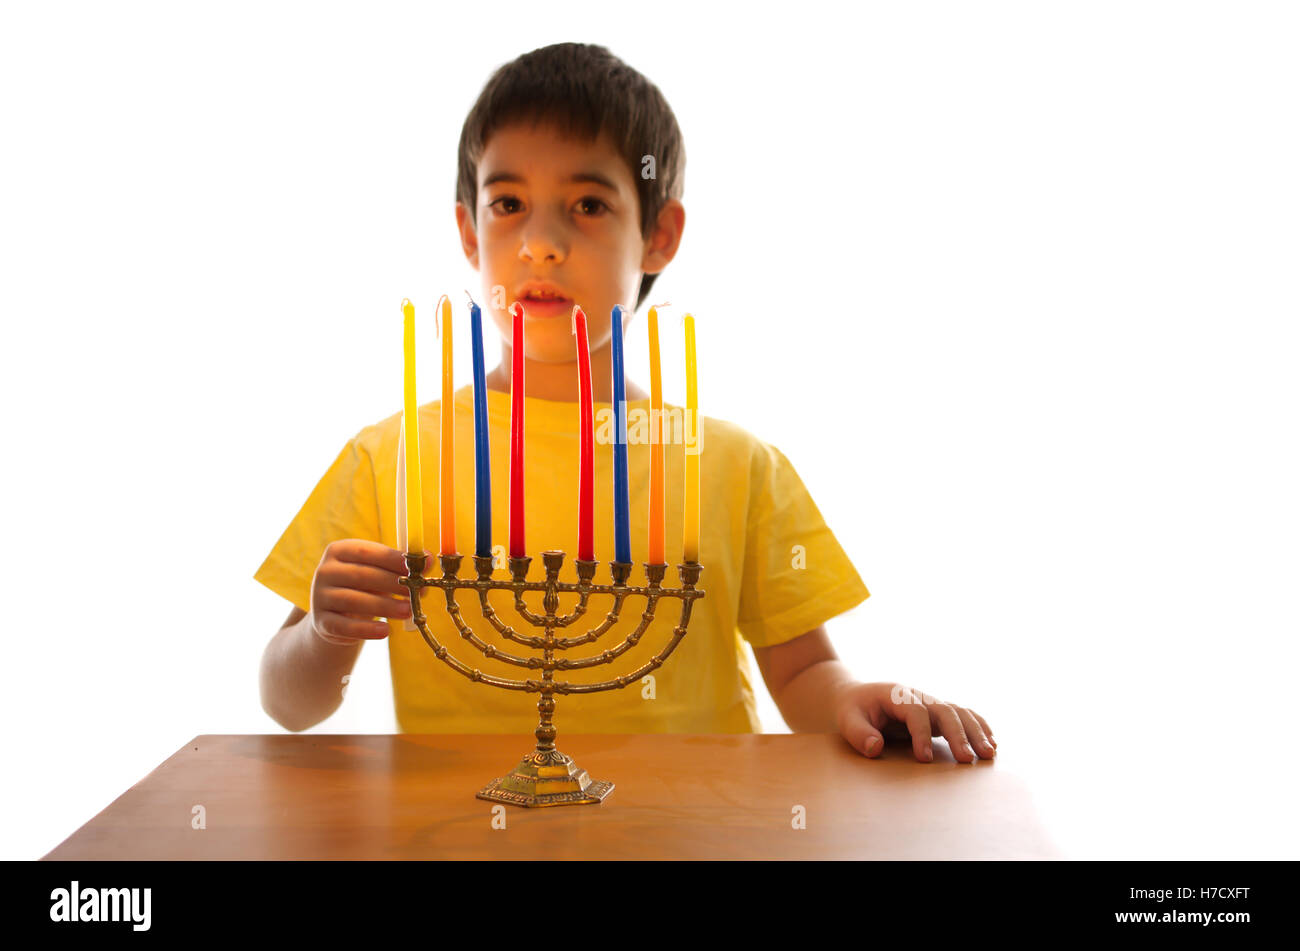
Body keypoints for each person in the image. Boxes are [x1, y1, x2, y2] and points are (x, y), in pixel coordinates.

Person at [255, 42, 996, 763]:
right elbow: (290, 703)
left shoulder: (735, 467)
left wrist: (863, 699)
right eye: (507, 202)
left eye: (586, 204)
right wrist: (324, 634)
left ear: (659, 236)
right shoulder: (389, 459)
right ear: (468, 233)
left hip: (698, 834)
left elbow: (804, 674)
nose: (541, 244)